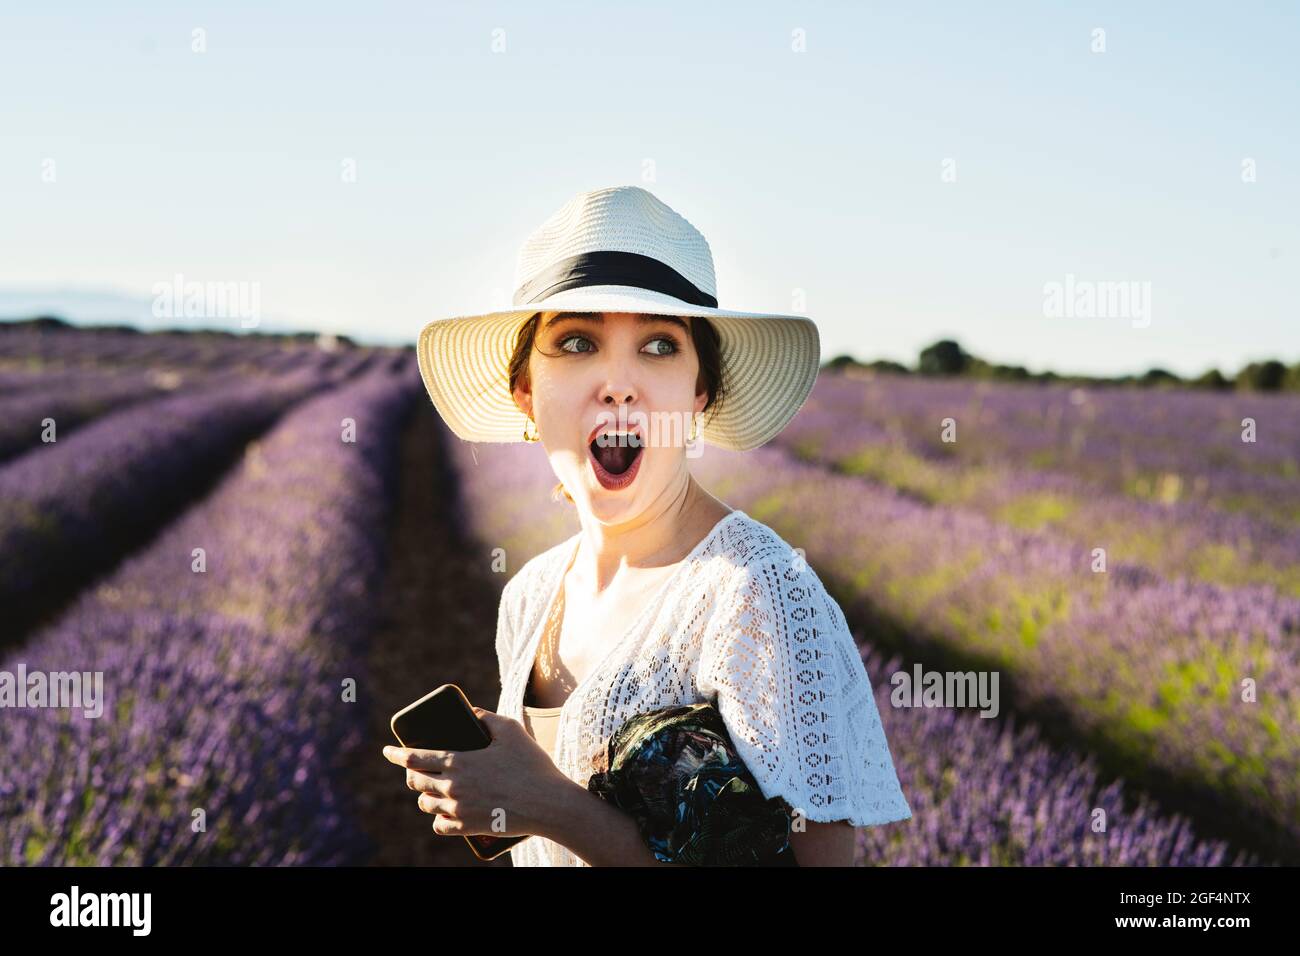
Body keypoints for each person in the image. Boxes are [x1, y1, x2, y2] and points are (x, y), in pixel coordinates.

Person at [383, 184, 912, 866]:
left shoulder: (759, 595)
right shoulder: (531, 595)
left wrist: (551, 805)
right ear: (525, 393)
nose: (619, 383)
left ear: (699, 394)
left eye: (659, 346)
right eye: (577, 341)